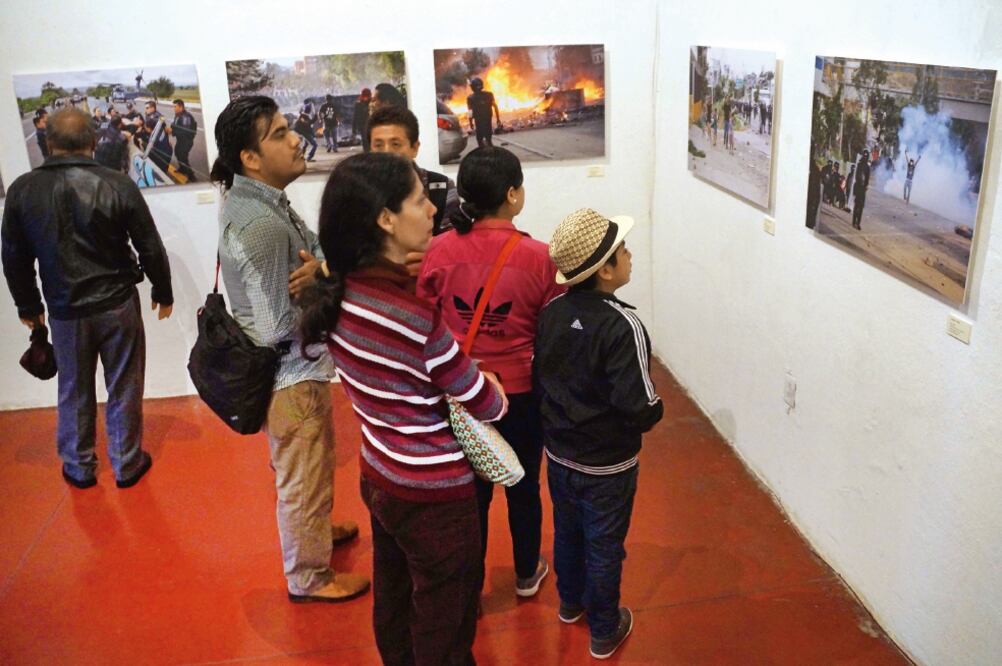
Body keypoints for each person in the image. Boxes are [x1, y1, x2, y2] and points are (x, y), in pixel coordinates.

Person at [299, 152, 507, 665]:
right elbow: (485, 402)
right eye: (420, 200)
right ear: (385, 219)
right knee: (446, 620)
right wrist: (493, 383)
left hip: (381, 475)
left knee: (394, 604)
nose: (433, 211)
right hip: (436, 494)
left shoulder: (341, 294)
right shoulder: (415, 318)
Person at [209, 95, 368, 603]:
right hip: (290, 375)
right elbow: (280, 323)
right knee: (301, 473)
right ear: (250, 158)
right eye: (278, 134)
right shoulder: (261, 226)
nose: (295, 138)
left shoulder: (263, 203)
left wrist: (321, 270)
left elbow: (315, 254)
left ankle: (315, 528)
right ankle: (309, 576)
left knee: (313, 462)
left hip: (297, 370)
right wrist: (327, 284)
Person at [417, 146, 563, 610]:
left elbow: (423, 319)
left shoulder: (437, 250)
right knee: (523, 485)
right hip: (519, 394)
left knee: (470, 494)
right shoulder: (541, 258)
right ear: (513, 195)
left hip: (460, 393)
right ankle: (525, 573)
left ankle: (471, 590)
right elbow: (553, 331)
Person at [1, 107, 173, 489]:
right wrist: (163, 290)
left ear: (48, 142)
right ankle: (127, 463)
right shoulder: (116, 183)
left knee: (73, 388)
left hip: (64, 310)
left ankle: (79, 467)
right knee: (124, 384)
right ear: (94, 142)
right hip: (117, 304)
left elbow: (14, 257)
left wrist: (29, 307)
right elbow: (149, 245)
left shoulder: (23, 190)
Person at [534, 207, 663, 660]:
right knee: (605, 545)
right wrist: (658, 409)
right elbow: (640, 407)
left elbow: (543, 378)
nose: (629, 256)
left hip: (561, 457)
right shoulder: (622, 325)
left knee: (567, 530)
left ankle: (570, 603)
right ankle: (605, 629)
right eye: (622, 250)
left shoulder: (551, 312)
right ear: (605, 269)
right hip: (608, 466)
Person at [368, 105, 459, 235]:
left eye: (395, 144)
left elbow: (449, 244)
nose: (387, 152)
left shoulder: (441, 187)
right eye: (378, 145)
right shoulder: (359, 190)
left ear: (414, 148)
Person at [165, 99, 198, 182]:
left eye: (175, 106)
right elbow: (175, 125)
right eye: (173, 106)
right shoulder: (178, 114)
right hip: (181, 140)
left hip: (186, 141)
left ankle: (191, 175)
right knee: (177, 153)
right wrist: (171, 129)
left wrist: (172, 131)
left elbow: (185, 131)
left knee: (183, 157)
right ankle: (182, 169)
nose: (173, 108)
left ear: (181, 107)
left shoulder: (185, 117)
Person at [467, 77, 501, 148]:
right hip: (487, 119)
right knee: (488, 137)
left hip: (478, 121)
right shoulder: (489, 94)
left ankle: (483, 152)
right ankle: (490, 149)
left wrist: (471, 123)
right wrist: (498, 119)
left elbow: (470, 111)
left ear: (472, 87)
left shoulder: (470, 98)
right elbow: (495, 106)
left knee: (480, 139)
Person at [144, 101, 172, 175]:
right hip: (158, 141)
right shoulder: (154, 115)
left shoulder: (153, 117)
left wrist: (146, 127)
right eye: (145, 108)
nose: (145, 110)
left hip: (158, 143)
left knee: (158, 160)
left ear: (153, 108)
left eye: (147, 108)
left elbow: (149, 130)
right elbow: (165, 128)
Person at [852, 150, 871, 230]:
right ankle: (854, 222)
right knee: (857, 206)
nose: (865, 157)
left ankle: (857, 222)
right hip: (859, 187)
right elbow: (857, 176)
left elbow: (867, 178)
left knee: (860, 206)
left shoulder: (867, 167)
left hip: (862, 188)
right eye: (865, 156)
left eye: (866, 156)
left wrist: (865, 186)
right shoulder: (860, 165)